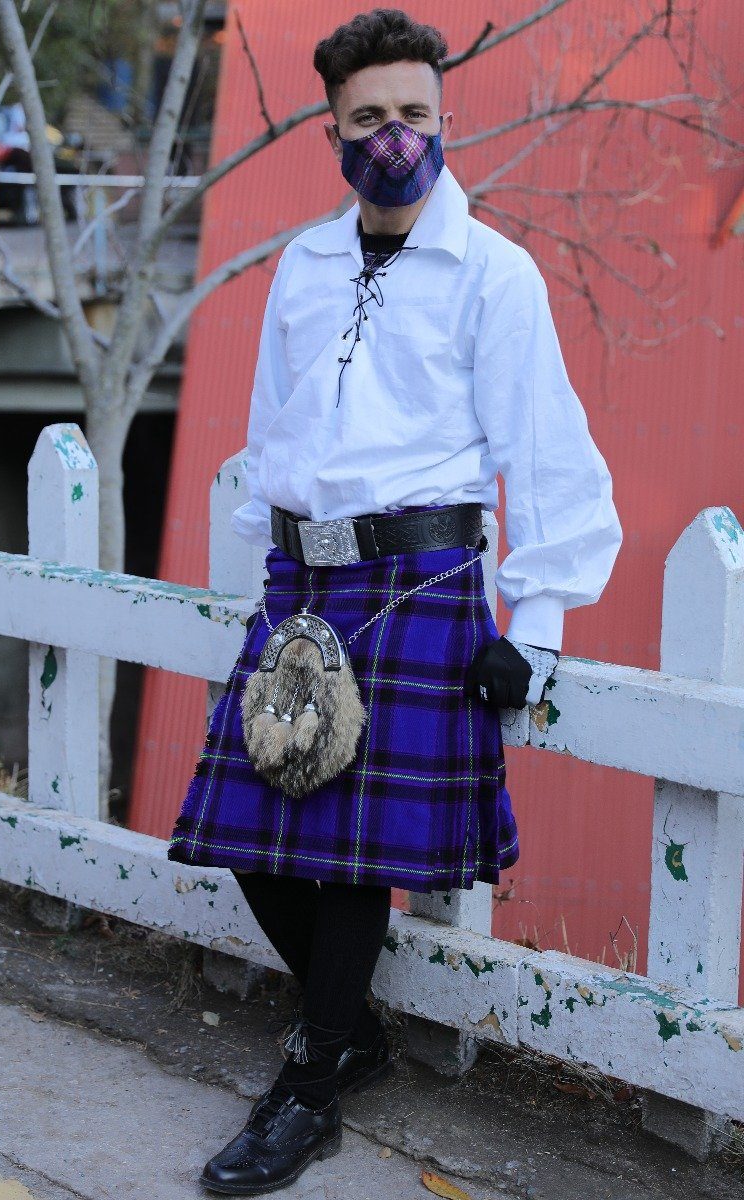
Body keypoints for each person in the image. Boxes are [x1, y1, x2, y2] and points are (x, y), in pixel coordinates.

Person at [167, 8, 623, 1194]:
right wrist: (255, 575)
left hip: (418, 580)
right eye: (367, 117)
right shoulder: (302, 267)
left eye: (412, 115)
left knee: (351, 857)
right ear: (332, 128)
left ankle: (309, 1090)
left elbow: (550, 451)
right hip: (300, 576)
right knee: (248, 837)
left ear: (442, 120)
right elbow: (272, 431)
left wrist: (537, 626)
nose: (392, 136)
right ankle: (354, 1035)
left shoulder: (495, 273)